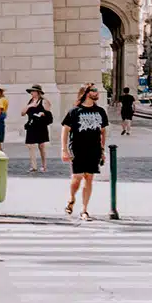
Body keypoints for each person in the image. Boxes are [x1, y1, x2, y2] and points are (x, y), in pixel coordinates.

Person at [61, 83, 108, 219]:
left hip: (94, 149)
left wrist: (102, 150)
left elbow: (103, 132)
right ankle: (71, 197)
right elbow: (65, 130)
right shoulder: (74, 111)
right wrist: (64, 150)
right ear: (87, 93)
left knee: (89, 178)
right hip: (77, 148)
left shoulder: (100, 111)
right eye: (94, 91)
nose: (97, 93)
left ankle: (84, 209)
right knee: (77, 177)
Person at [21, 86, 54, 173]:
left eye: (33, 91)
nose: (31, 93)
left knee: (41, 146)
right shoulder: (30, 101)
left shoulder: (44, 101)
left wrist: (43, 113)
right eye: (31, 91)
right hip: (31, 125)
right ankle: (34, 166)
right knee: (30, 145)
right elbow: (22, 113)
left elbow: (49, 114)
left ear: (38, 92)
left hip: (40, 125)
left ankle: (44, 165)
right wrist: (30, 105)